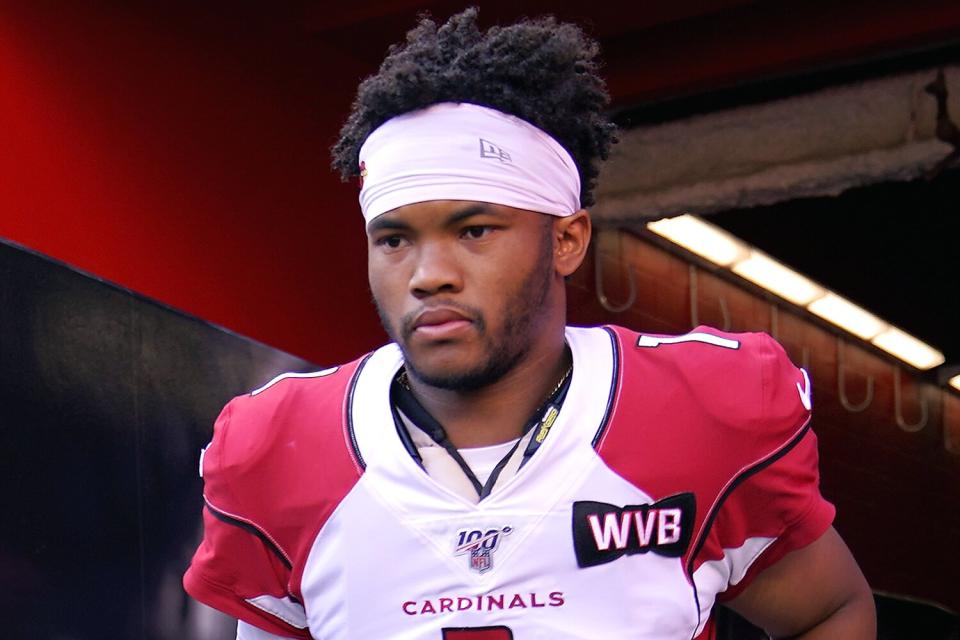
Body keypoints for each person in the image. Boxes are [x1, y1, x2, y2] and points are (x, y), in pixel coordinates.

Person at [183, 8, 875, 639]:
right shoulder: (279, 450)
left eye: (475, 230)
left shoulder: (698, 414)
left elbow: (829, 610)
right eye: (394, 239)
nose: (429, 273)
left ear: (567, 241)